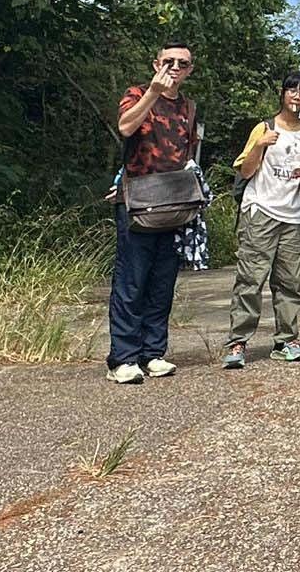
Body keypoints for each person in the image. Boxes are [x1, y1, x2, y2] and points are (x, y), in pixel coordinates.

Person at [109, 40, 200, 385]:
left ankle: (153, 353)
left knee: (163, 281)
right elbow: (125, 128)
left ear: (190, 70)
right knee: (131, 280)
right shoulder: (136, 93)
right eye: (169, 61)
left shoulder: (189, 108)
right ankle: (123, 358)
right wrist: (153, 93)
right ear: (156, 63)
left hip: (174, 202)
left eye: (183, 63)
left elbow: (186, 155)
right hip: (137, 202)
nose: (175, 67)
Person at [222, 72, 300, 368]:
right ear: (283, 94)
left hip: (294, 214)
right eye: (291, 90)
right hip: (261, 210)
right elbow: (246, 171)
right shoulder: (264, 127)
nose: (296, 96)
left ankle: (286, 340)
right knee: (251, 278)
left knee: (290, 282)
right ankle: (237, 342)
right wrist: (261, 144)